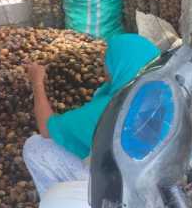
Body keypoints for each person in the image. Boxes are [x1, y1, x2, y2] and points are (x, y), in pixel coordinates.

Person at [22, 34, 160, 198]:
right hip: (153, 181)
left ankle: (57, 203)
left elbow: (46, 128)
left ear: (121, 65)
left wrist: (37, 83)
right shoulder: (160, 95)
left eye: (108, 60)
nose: (103, 65)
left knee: (35, 146)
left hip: (119, 193)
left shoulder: (110, 108)